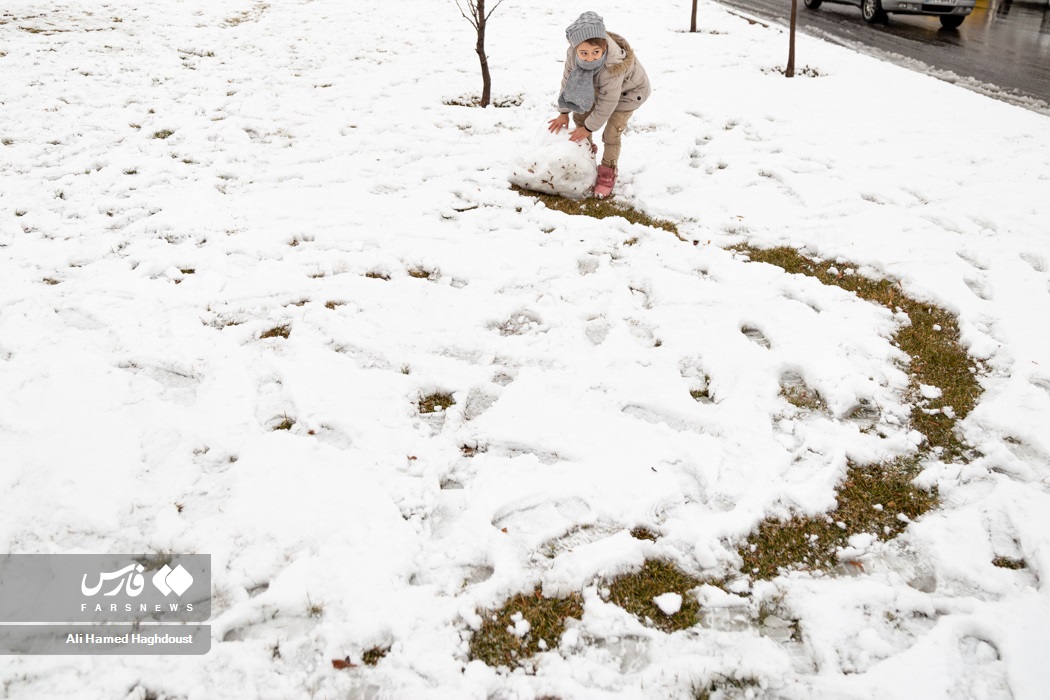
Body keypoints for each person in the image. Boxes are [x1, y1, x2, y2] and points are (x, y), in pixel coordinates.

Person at [547, 11, 651, 198]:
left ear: (604, 47)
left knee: (611, 134)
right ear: (575, 48)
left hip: (628, 94)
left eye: (596, 52)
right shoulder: (572, 55)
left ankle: (607, 173)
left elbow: (608, 102)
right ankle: (585, 160)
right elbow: (567, 82)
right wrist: (564, 112)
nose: (590, 58)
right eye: (584, 53)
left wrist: (589, 128)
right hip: (599, 88)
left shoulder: (613, 65)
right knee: (580, 117)